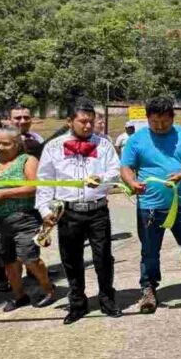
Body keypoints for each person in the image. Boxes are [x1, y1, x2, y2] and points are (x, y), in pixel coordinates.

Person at [121, 97, 181, 314]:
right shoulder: (136, 140)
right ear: (147, 118)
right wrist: (131, 182)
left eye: (164, 122)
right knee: (149, 251)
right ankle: (148, 289)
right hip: (149, 206)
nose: (159, 126)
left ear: (172, 118)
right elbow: (126, 167)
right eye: (154, 122)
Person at [36, 99, 122, 324]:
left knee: (103, 257)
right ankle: (77, 304)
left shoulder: (103, 145)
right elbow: (45, 181)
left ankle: (107, 299)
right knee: (71, 260)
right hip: (68, 212)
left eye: (91, 122)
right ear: (69, 121)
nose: (87, 126)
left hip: (98, 211)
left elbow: (115, 171)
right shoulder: (53, 147)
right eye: (83, 122)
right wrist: (45, 210)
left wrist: (102, 179)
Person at [0, 127, 55, 312]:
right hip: (1, 221)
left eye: (6, 144)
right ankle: (19, 296)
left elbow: (34, 187)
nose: (0, 147)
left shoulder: (27, 160)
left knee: (29, 258)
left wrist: (4, 193)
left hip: (25, 218)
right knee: (9, 261)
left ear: (17, 144)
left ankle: (48, 289)